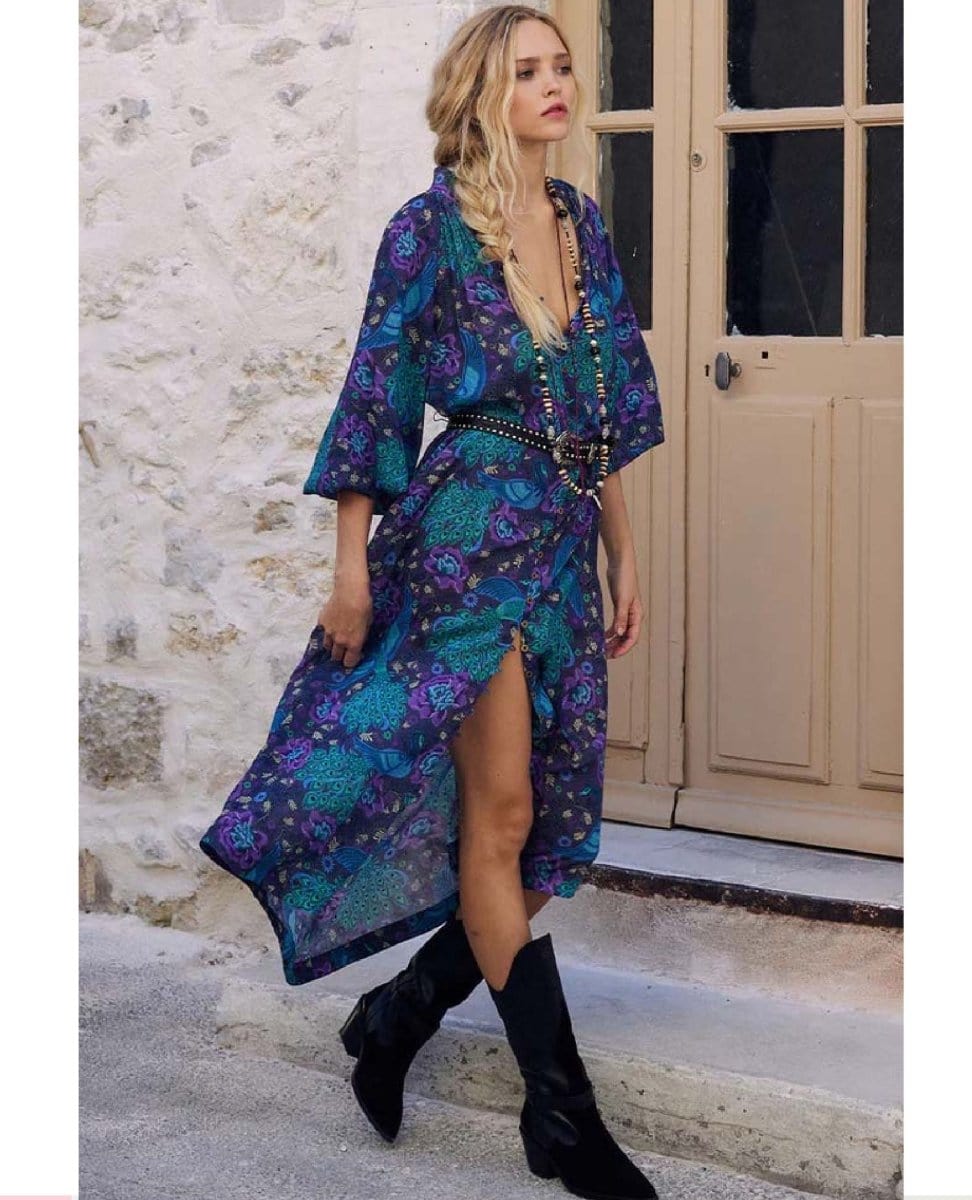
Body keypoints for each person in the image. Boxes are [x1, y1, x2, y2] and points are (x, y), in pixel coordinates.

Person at [199, 5, 664, 1197]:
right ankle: (564, 1122)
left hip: (561, 545)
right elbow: (377, 397)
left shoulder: (581, 224)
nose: (557, 85)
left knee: (549, 837)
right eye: (529, 70)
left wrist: (627, 549)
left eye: (564, 66)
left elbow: (605, 407)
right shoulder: (427, 231)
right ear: (481, 93)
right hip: (465, 546)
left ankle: (398, 1014)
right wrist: (350, 569)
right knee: (500, 818)